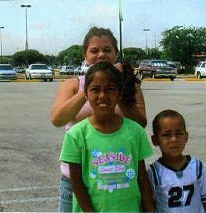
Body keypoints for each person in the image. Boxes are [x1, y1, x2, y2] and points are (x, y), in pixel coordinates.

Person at [50, 26, 147, 212]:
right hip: (75, 181)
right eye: (94, 50)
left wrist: (121, 85)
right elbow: (57, 119)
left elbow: (140, 123)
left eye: (107, 50)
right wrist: (88, 86)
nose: (101, 55)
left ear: (116, 54)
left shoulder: (128, 86)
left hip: (119, 179)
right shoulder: (72, 85)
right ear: (85, 55)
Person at [59, 61, 154, 212]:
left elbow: (142, 178)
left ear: (120, 94)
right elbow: (76, 183)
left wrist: (150, 210)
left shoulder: (135, 132)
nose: (103, 95)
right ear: (86, 94)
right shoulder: (76, 135)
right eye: (95, 89)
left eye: (110, 89)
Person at [147, 109, 206, 213]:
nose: (174, 139)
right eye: (166, 135)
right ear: (155, 140)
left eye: (179, 133)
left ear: (186, 137)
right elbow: (148, 206)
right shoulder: (154, 172)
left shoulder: (197, 167)